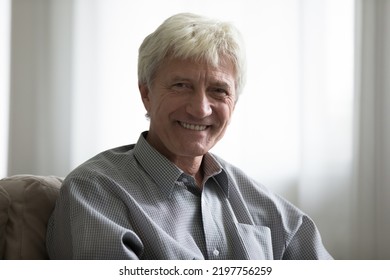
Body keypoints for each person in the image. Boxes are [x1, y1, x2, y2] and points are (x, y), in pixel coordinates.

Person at [46, 13, 333, 260]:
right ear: (146, 93)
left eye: (219, 90)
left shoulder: (264, 205)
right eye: (182, 85)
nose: (200, 108)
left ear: (235, 101)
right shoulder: (96, 193)